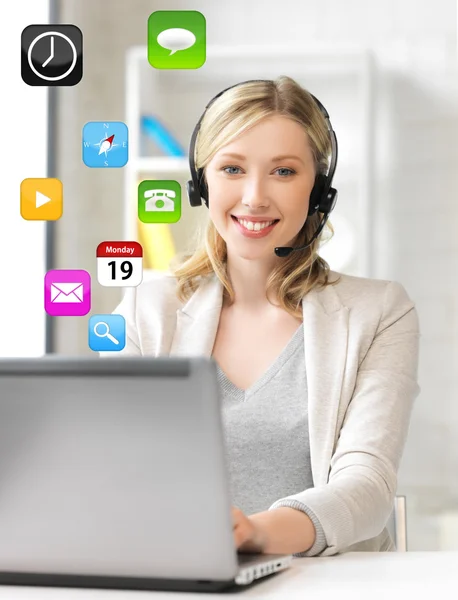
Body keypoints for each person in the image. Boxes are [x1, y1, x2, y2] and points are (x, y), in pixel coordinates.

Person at [108, 76, 421, 557]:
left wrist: (254, 534)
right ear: (202, 183)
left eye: (283, 172)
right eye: (232, 168)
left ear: (318, 189)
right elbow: (111, 466)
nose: (254, 196)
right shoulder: (146, 312)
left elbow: (368, 485)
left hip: (327, 586)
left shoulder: (379, 313)